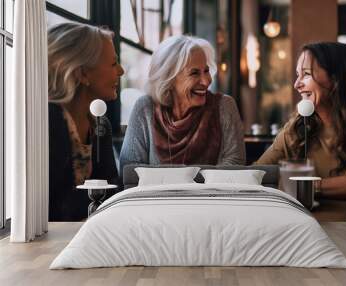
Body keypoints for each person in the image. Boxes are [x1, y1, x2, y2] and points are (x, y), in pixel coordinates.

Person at [255, 42, 346, 199]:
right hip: (305, 219)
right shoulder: (300, 122)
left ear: (337, 78)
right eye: (297, 75)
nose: (297, 85)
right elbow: (258, 171)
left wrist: (298, 186)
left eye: (306, 74)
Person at [120, 35, 245, 169]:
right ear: (169, 78)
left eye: (206, 71)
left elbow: (235, 166)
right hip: (155, 192)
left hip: (212, 191)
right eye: (195, 73)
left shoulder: (224, 106)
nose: (206, 81)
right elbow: (129, 170)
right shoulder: (145, 108)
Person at [48, 23, 124, 221]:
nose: (121, 71)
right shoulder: (49, 121)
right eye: (114, 63)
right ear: (83, 74)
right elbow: (55, 208)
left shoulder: (100, 125)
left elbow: (112, 193)